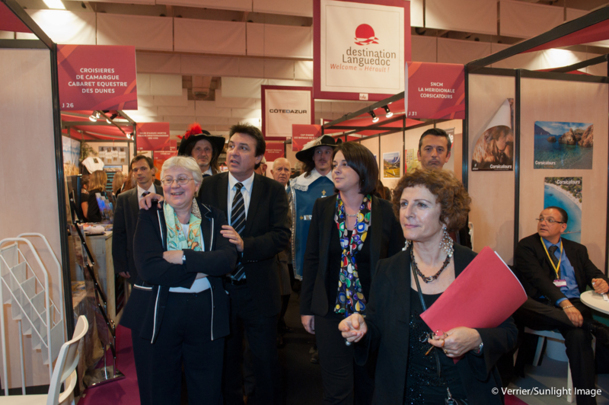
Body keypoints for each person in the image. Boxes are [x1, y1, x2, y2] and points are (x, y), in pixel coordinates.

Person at [339, 169, 517, 405]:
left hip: (466, 392)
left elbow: (509, 332)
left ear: (446, 215)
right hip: (404, 395)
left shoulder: (475, 266)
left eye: (421, 205)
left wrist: (476, 339)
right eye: (403, 204)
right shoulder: (388, 269)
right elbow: (376, 329)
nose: (407, 213)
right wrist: (360, 329)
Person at [300, 142, 404, 405]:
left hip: (371, 313)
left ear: (363, 168)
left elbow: (395, 265)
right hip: (329, 311)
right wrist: (306, 307)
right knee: (336, 389)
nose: (336, 169)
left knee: (367, 384)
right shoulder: (323, 208)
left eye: (344, 164)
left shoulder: (385, 211)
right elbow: (312, 260)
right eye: (335, 164)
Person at [195, 124, 290, 404]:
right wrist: (156, 200)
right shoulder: (208, 187)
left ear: (259, 157)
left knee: (265, 364)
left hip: (259, 289)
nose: (234, 153)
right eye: (232, 146)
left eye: (243, 148)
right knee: (226, 362)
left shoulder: (273, 191)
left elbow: (281, 235)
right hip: (219, 290)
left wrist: (245, 244)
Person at [132, 156, 238, 405]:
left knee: (207, 389)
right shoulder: (149, 215)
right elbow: (149, 268)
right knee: (160, 390)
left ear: (197, 184)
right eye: (168, 179)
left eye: (182, 179)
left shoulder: (214, 216)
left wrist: (183, 257)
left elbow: (226, 260)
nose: (174, 185)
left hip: (206, 314)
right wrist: (201, 268)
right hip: (158, 311)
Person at [513, 206, 609, 405]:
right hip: (541, 306)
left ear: (563, 227)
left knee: (579, 335)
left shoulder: (577, 250)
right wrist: (563, 304)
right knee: (520, 305)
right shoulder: (527, 246)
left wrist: (601, 282)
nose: (543, 223)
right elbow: (539, 280)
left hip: (574, 305)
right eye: (540, 218)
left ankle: (586, 402)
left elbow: (595, 273)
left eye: (549, 220)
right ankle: (592, 326)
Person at [291, 135, 341, 280]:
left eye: (327, 152)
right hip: (307, 250)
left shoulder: (344, 183)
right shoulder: (296, 186)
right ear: (312, 157)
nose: (322, 156)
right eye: (318, 152)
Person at [417, 128, 472, 248]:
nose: (434, 154)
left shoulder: (456, 193)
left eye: (440, 150)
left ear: (447, 156)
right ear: (419, 155)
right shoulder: (409, 192)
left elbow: (463, 235)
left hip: (451, 258)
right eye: (428, 149)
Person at [271, 157, 293, 343]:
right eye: (279, 169)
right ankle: (276, 326)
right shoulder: (267, 192)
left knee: (289, 290)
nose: (283, 172)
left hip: (295, 249)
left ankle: (280, 321)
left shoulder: (295, 193)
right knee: (281, 289)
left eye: (286, 169)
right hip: (277, 251)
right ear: (272, 172)